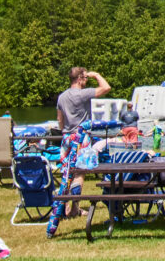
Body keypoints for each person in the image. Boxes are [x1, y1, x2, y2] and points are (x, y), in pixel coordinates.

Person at [47, 67, 110, 238]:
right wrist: (97, 75)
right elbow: (106, 88)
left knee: (67, 172)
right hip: (81, 137)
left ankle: (67, 207)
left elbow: (60, 120)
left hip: (67, 137)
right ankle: (72, 208)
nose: (87, 81)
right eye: (85, 78)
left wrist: (65, 133)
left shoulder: (62, 97)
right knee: (80, 172)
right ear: (80, 79)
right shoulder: (82, 94)